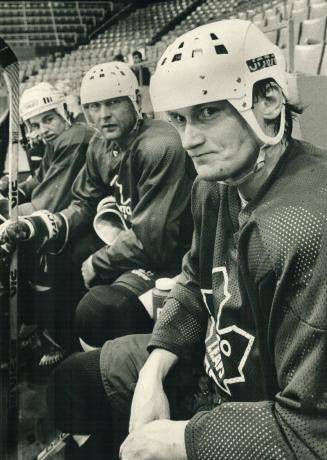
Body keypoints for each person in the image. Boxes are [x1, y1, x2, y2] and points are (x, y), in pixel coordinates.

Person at [47, 19, 327, 459]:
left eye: (208, 112)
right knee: (74, 379)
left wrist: (181, 440)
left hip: (262, 409)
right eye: (179, 119)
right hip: (216, 373)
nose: (189, 140)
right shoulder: (212, 184)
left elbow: (312, 434)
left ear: (269, 99)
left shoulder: (308, 226)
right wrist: (155, 370)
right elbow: (195, 281)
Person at [0, 61, 194, 349]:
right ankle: (66, 342)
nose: (103, 116)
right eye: (93, 106)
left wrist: (98, 261)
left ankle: (112, 365)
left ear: (136, 100)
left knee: (101, 310)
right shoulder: (100, 145)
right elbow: (83, 203)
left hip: (171, 260)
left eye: (113, 103)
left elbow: (154, 241)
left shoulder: (158, 145)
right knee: (55, 253)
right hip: (130, 241)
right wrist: (41, 226)